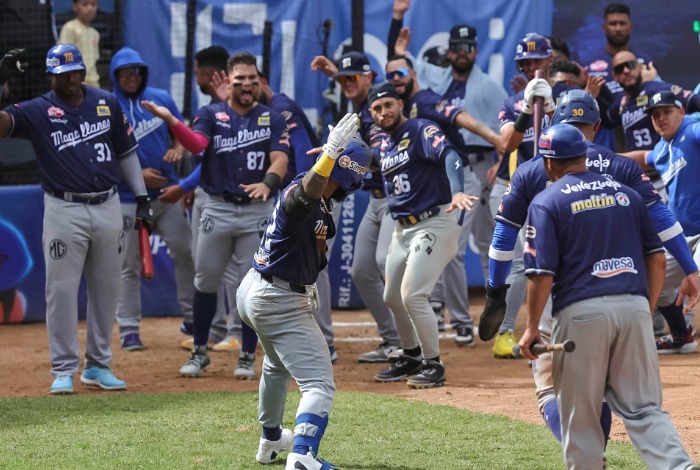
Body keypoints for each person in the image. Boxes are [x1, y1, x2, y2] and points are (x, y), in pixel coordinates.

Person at [488, 89, 700, 445]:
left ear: (554, 122)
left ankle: (590, 457)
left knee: (550, 390)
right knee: (610, 390)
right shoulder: (621, 167)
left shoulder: (530, 171)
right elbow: (662, 224)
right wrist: (690, 269)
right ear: (598, 126)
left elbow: (503, 239)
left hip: (565, 296)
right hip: (622, 288)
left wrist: (495, 291)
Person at [0, 45, 152, 394]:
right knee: (61, 291)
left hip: (108, 203)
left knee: (107, 289)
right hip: (63, 208)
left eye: (75, 72)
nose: (70, 79)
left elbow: (126, 153)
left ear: (83, 72)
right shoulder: (39, 109)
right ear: (50, 76)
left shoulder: (106, 102)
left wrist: (142, 197)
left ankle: (98, 365)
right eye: (62, 73)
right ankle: (64, 368)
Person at [143, 51, 289, 377]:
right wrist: (172, 121)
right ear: (228, 81)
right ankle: (200, 352)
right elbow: (196, 145)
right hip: (218, 206)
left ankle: (247, 355)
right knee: (205, 279)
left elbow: (280, 158)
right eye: (240, 79)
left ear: (259, 81)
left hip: (257, 208)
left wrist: (267, 183)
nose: (247, 85)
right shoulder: (211, 114)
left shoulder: (271, 117)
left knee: (251, 286)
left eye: (252, 79)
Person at [236, 113, 368, 469]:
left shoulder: (323, 204)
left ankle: (271, 438)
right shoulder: (307, 192)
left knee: (276, 365)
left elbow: (317, 258)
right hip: (277, 299)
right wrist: (330, 155)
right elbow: (300, 201)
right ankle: (303, 455)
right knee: (319, 385)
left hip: (257, 290)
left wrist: (329, 158)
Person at [391, 7, 508, 345]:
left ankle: (476, 314)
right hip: (441, 169)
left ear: (476, 51)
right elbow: (403, 64)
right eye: (457, 48)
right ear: (449, 51)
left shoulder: (488, 86)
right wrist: (397, 28)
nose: (463, 53)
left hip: (478, 163)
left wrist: (501, 160)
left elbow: (504, 128)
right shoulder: (435, 78)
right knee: (444, 242)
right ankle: (443, 305)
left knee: (481, 242)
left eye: (468, 48)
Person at [368, 82, 477, 388]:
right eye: (376, 108)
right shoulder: (383, 144)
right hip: (403, 228)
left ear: (400, 104)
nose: (383, 112)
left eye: (388, 104)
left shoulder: (420, 129)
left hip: (435, 220)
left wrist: (458, 191)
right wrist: (332, 159)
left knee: (413, 294)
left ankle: (434, 364)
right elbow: (364, 170)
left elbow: (451, 156)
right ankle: (412, 355)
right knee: (392, 296)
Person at [481, 32, 582, 357]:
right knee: (521, 260)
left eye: (536, 60)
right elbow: (507, 143)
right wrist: (526, 109)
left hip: (563, 185)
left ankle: (559, 328)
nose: (530, 67)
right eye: (525, 62)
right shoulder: (512, 102)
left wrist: (552, 107)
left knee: (564, 257)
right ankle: (505, 332)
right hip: (525, 184)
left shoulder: (568, 94)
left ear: (550, 60)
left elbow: (583, 135)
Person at [311, 51, 402, 363]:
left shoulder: (377, 109)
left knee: (385, 263)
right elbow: (357, 88)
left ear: (369, 78)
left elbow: (378, 157)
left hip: (395, 199)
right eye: (342, 80)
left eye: (354, 78)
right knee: (362, 271)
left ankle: (412, 343)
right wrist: (338, 74)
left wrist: (340, 153)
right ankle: (393, 339)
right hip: (376, 201)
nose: (347, 83)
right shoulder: (361, 109)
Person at [109, 47, 195, 351]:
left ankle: (192, 318)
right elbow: (102, 156)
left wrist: (177, 149)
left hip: (166, 193)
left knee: (185, 251)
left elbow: (181, 131)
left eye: (136, 71)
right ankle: (129, 330)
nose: (131, 77)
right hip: (128, 197)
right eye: (125, 72)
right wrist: (136, 176)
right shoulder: (108, 105)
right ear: (115, 75)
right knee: (128, 265)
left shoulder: (160, 98)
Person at [164, 45, 243, 353]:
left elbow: (222, 159)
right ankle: (214, 328)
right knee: (204, 265)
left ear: (209, 74)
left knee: (230, 268)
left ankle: (238, 331)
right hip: (204, 192)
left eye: (198, 73)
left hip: (224, 197)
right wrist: (192, 188)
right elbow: (204, 155)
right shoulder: (211, 107)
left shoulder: (233, 109)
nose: (196, 78)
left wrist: (183, 185)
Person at [627, 90, 700, 353]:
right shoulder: (661, 149)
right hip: (680, 236)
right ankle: (681, 335)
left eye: (667, 112)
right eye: (655, 115)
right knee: (650, 280)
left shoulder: (692, 130)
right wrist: (598, 158)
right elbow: (643, 157)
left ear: (682, 111)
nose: (661, 118)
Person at [575, 2, 654, 150]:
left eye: (622, 23)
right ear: (604, 27)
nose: (618, 28)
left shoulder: (645, 62)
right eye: (613, 24)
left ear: (631, 27)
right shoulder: (587, 64)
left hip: (640, 137)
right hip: (601, 140)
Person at [603, 51, 700, 152]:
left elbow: (694, 101)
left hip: (663, 158)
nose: (626, 71)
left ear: (640, 67)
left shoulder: (656, 88)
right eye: (619, 69)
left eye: (630, 65)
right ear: (614, 76)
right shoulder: (622, 101)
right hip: (636, 161)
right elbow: (606, 120)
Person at [59, 0, 100, 88]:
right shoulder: (69, 28)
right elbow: (64, 58)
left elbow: (93, 62)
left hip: (94, 84)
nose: (90, 8)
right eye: (85, 4)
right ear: (75, 6)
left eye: (93, 4)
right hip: (76, 85)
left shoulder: (95, 33)